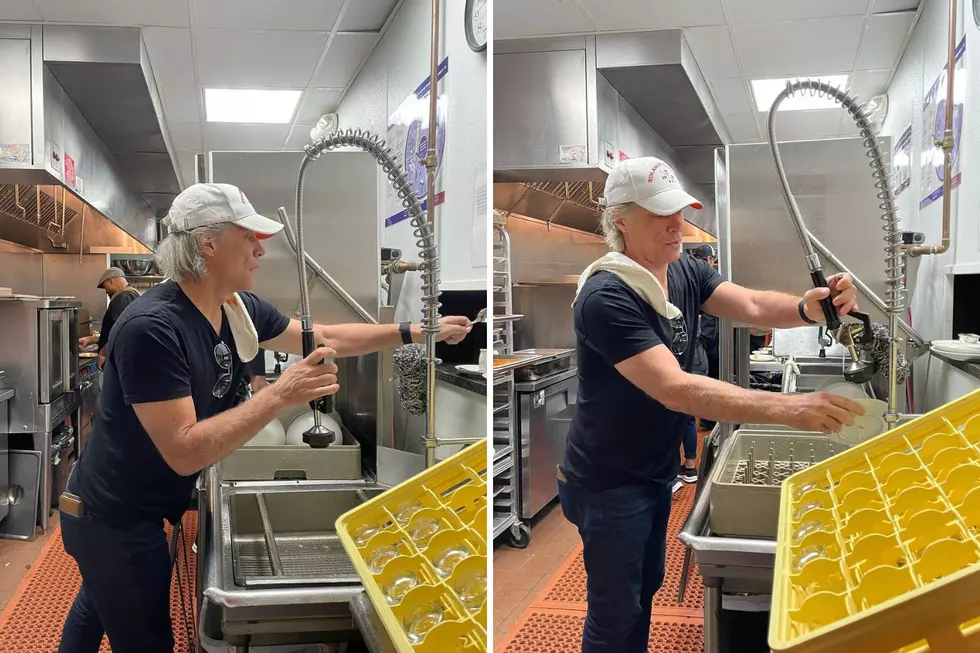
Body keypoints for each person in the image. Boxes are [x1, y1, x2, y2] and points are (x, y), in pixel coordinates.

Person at [57, 183, 472, 653]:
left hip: (137, 509)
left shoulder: (235, 308)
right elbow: (185, 450)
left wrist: (414, 330)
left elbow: (322, 334)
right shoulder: (152, 329)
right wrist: (279, 395)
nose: (260, 250)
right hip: (111, 517)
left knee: (97, 604)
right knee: (145, 637)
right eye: (249, 236)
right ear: (207, 243)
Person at [558, 157, 864, 653]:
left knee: (643, 590)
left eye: (678, 210)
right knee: (616, 611)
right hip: (606, 480)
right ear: (620, 220)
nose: (677, 225)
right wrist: (789, 408)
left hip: (652, 469)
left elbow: (753, 306)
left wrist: (812, 308)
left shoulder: (683, 269)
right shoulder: (606, 295)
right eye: (660, 214)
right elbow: (674, 387)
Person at [77, 267, 140, 369]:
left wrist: (103, 354)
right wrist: (90, 340)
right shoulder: (130, 295)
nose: (106, 292)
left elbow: (120, 332)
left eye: (105, 287)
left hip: (119, 361)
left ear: (111, 281)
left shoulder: (123, 298)